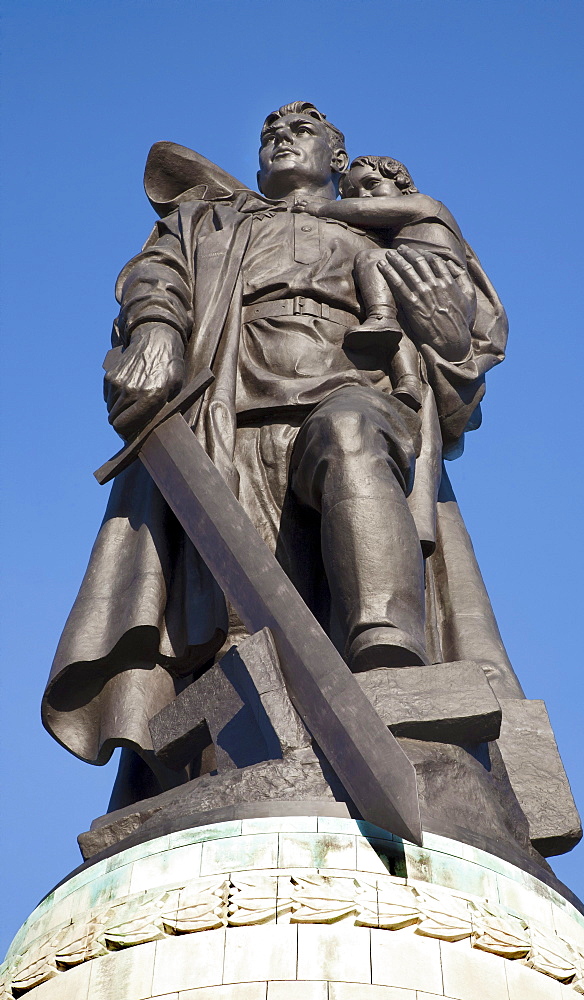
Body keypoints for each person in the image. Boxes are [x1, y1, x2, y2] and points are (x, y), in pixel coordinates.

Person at [43, 102, 523, 803]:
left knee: (352, 434)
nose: (278, 138)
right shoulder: (207, 220)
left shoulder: (388, 237)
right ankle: (234, 760)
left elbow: (460, 362)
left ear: (337, 157)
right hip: (227, 414)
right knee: (239, 619)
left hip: (351, 391)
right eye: (269, 132)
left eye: (301, 131)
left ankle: (387, 662)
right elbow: (157, 277)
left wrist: (449, 340)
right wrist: (154, 332)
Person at [298, 155, 475, 413]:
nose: (363, 196)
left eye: (372, 184)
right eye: (351, 193)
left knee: (371, 259)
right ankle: (408, 383)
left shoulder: (423, 203)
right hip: (411, 278)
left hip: (440, 277)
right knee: (395, 335)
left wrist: (319, 209)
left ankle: (381, 315)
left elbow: (361, 211)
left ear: (403, 184)